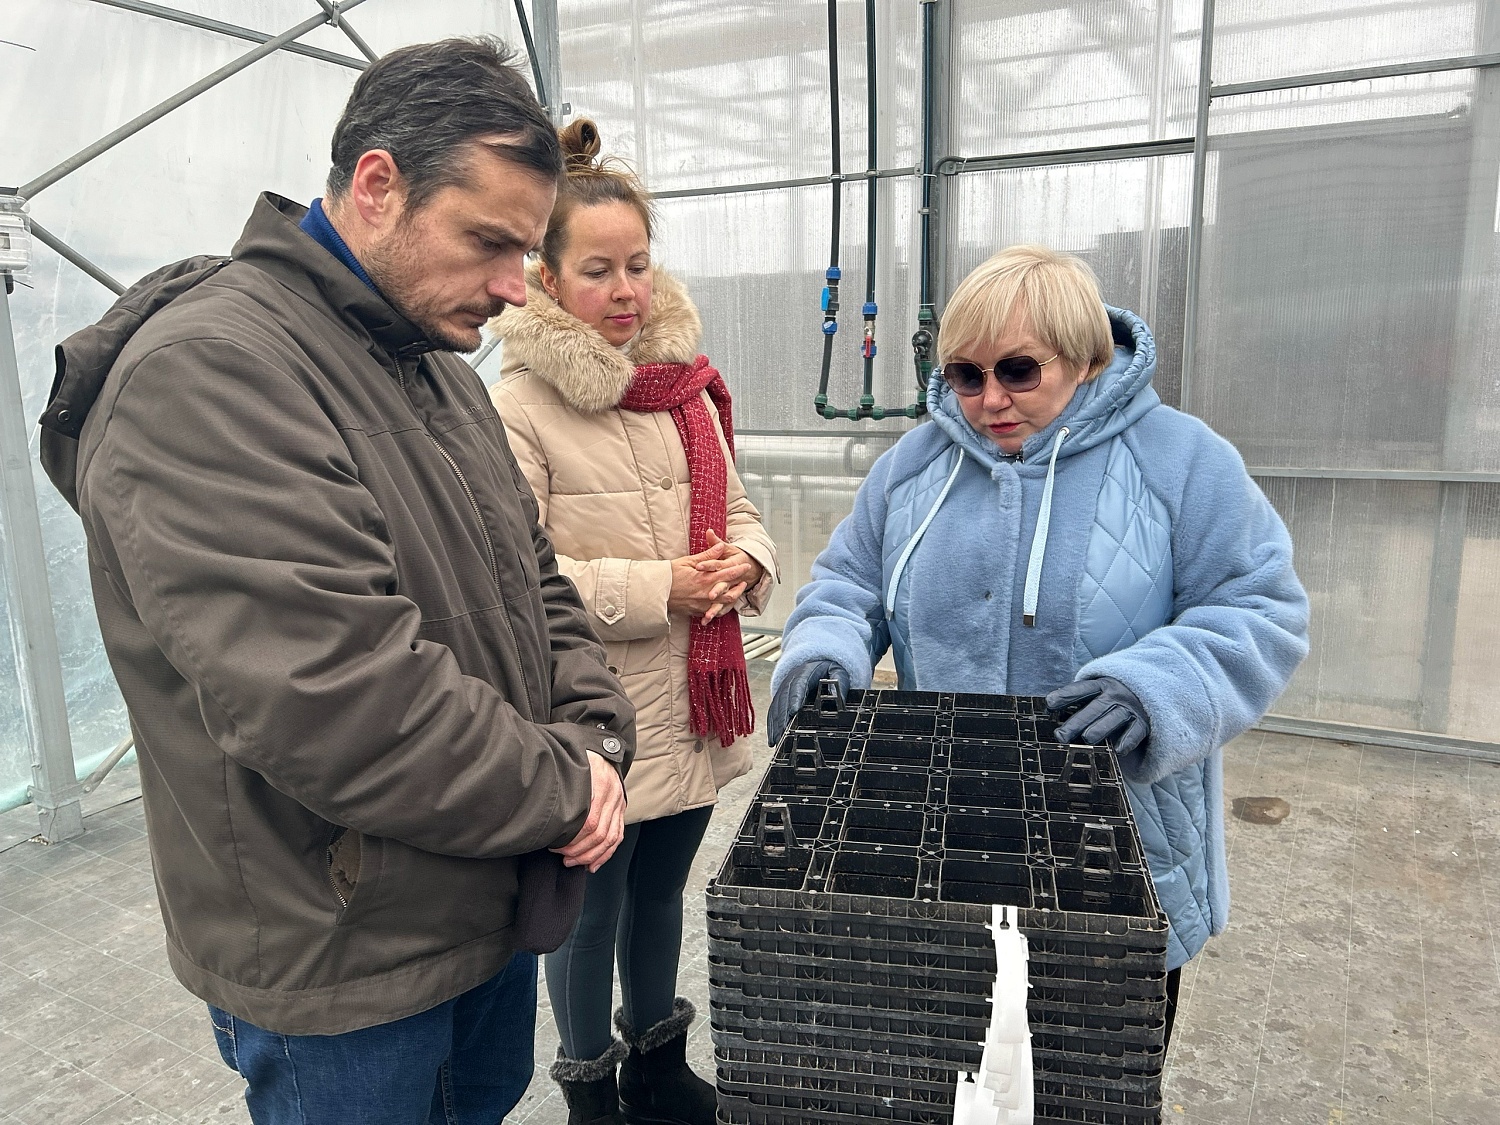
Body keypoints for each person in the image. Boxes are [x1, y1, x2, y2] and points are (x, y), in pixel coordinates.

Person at [37, 38, 635, 1125]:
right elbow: (333, 694)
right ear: (376, 185)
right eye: (489, 242)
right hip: (348, 954)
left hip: (484, 893)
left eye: (528, 248)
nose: (516, 287)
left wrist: (594, 739)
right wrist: (563, 789)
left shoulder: (432, 370)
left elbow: (537, 584)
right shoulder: (213, 372)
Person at [769, 244, 1309, 1046]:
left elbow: (1261, 605)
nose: (990, 400)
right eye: (965, 375)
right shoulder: (912, 469)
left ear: (1087, 360)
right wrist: (824, 652)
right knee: (957, 1062)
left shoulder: (1182, 461)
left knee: (1096, 1074)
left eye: (1019, 371)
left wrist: (1155, 685)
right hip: (949, 840)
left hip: (1121, 843)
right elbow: (847, 581)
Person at [489, 119, 777, 1125]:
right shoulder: (519, 406)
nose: (626, 291)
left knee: (662, 894)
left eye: (639, 266)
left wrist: (747, 560)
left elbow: (738, 510)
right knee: (589, 910)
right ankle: (591, 1088)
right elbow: (516, 575)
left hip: (692, 705)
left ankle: (658, 1059)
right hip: (594, 710)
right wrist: (664, 587)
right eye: (600, 269)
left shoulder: (683, 393)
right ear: (549, 281)